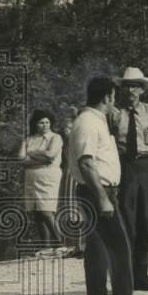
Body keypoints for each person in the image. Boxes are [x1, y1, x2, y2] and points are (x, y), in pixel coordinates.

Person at [68, 76, 148, 295]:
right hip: (99, 191)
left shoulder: (92, 120)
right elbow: (86, 163)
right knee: (120, 247)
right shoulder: (88, 122)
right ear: (107, 97)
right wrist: (103, 198)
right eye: (113, 96)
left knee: (97, 248)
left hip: (96, 191)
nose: (114, 100)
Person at [114, 67, 148, 291]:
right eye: (126, 86)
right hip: (125, 165)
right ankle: (126, 276)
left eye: (134, 86)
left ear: (142, 89)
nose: (130, 90)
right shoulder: (115, 114)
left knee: (144, 219)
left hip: (146, 165)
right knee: (126, 218)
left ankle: (142, 275)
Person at [19, 109, 63, 254]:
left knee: (46, 209)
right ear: (35, 124)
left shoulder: (55, 138)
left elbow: (51, 156)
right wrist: (41, 156)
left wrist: (31, 153)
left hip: (49, 176)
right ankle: (46, 246)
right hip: (32, 177)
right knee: (36, 211)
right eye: (41, 122)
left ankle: (59, 242)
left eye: (47, 122)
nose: (45, 125)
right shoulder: (29, 139)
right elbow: (21, 158)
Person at [58, 105, 85, 258]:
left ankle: (81, 246)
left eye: (68, 128)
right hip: (68, 175)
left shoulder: (78, 140)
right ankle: (76, 246)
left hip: (76, 175)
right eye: (64, 128)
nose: (66, 131)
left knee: (78, 209)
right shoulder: (65, 144)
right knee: (70, 211)